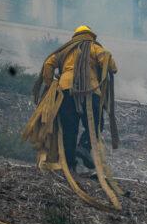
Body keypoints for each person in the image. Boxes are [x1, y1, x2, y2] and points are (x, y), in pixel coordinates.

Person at [36, 25, 118, 170]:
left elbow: (48, 63)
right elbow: (108, 60)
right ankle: (84, 146)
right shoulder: (93, 47)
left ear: (75, 36)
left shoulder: (66, 50)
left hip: (65, 92)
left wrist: (51, 84)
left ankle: (70, 166)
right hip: (90, 91)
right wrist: (110, 69)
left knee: (69, 129)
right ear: (90, 35)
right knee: (95, 124)